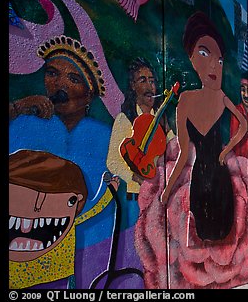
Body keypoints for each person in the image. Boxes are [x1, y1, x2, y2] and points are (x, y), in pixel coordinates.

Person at [160, 11, 248, 241]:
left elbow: (244, 125)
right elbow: (182, 154)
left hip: (218, 180)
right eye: (203, 53)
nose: (214, 66)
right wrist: (167, 190)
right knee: (204, 233)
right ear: (191, 58)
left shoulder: (219, 97)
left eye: (219, 60)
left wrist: (226, 150)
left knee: (219, 232)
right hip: (202, 180)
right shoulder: (186, 100)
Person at [9, 149, 119, 289]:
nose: (37, 208)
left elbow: (92, 211)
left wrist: (110, 191)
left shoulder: (68, 221)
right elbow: (92, 210)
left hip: (58, 279)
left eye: (71, 201)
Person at [107, 57, 174, 204]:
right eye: (143, 81)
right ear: (133, 85)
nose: (149, 87)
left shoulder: (160, 120)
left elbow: (173, 154)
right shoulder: (125, 119)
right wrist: (137, 178)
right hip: (135, 198)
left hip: (159, 197)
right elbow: (113, 162)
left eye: (152, 81)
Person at [230, 76, 248, 158]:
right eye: (243, 90)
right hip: (238, 158)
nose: (246, 95)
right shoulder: (236, 111)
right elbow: (233, 137)